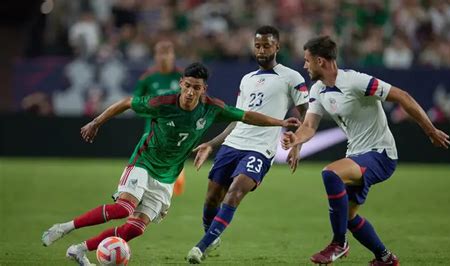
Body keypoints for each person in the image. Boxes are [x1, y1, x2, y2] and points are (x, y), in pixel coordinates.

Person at [41, 62, 301, 266]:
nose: (190, 92)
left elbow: (246, 115)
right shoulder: (163, 103)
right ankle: (64, 228)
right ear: (181, 84)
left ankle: (79, 249)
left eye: (196, 88)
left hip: (167, 175)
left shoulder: (212, 108)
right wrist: (96, 122)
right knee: (123, 209)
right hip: (144, 161)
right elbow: (126, 103)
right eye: (187, 86)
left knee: (136, 227)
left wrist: (281, 123)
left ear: (203, 90)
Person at [281, 36, 450, 265]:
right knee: (349, 216)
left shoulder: (356, 81)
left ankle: (338, 244)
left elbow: (403, 96)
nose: (304, 66)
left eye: (307, 61)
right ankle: (385, 258)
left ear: (320, 61)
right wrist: (296, 140)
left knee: (330, 173)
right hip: (357, 154)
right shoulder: (318, 90)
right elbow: (309, 126)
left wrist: (430, 131)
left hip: (381, 154)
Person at [186, 25, 309, 264]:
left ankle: (200, 247)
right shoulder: (247, 79)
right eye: (257, 46)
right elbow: (238, 117)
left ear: (277, 46)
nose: (261, 51)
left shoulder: (292, 77)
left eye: (266, 45)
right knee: (212, 199)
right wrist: (211, 143)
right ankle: (211, 236)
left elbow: (307, 114)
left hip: (260, 149)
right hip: (233, 144)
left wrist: (298, 144)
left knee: (234, 193)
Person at [133, 40, 186, 196]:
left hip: (178, 126)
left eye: (167, 53)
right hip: (154, 125)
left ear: (173, 55)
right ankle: (147, 187)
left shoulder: (182, 76)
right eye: (161, 53)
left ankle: (176, 177)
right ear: (155, 56)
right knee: (149, 155)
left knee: (173, 154)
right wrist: (149, 111)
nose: (164, 57)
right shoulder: (147, 78)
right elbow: (135, 102)